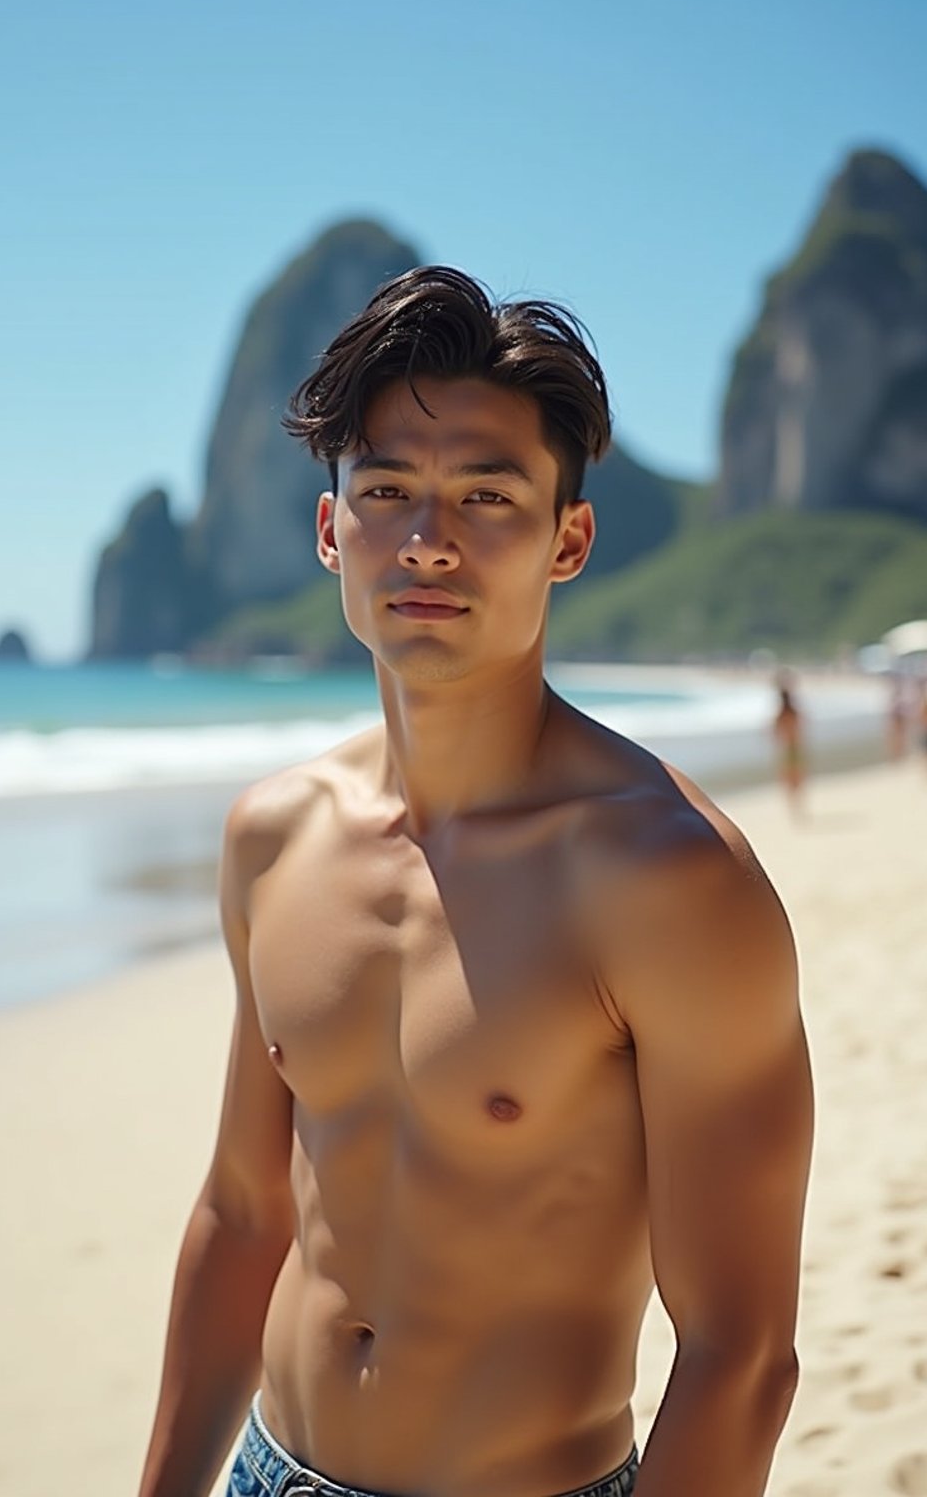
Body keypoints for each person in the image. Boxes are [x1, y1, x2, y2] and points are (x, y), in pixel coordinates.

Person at [138, 268, 813, 1497]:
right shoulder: (273, 839)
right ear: (332, 530)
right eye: (386, 489)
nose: (427, 538)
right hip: (265, 1470)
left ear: (569, 540)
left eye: (485, 495)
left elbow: (742, 1351)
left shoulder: (669, 881)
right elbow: (243, 1215)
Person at [772, 672, 806, 820]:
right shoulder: (795, 713)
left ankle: (793, 808)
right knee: (798, 779)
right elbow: (801, 730)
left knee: (788, 781)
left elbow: (774, 734)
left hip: (785, 749)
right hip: (796, 747)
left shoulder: (780, 715)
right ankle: (798, 806)